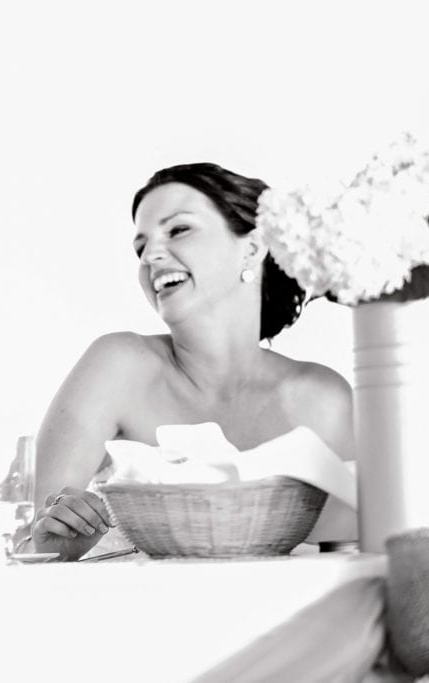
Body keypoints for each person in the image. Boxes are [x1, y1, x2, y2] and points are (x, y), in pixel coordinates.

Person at [31, 162, 355, 561]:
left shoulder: (323, 399)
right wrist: (58, 539)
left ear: (252, 248)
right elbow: (35, 543)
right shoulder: (116, 368)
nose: (150, 255)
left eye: (178, 230)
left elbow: (351, 557)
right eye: (140, 246)